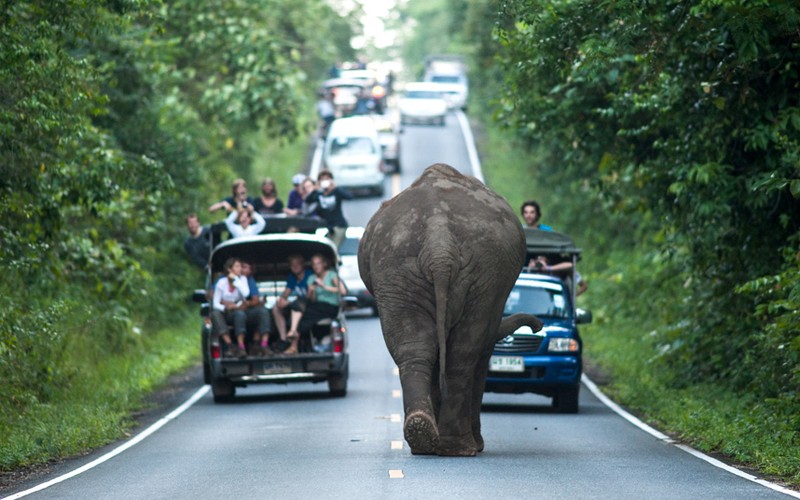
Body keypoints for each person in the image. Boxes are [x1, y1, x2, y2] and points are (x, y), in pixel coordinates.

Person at [285, 254, 342, 354]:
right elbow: (312, 299)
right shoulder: (311, 278)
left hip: (330, 306)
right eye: (314, 264)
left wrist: (324, 286)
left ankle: (293, 334)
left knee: (300, 311)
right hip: (317, 306)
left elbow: (342, 291)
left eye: (318, 263)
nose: (316, 266)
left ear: (324, 264)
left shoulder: (331, 275)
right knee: (299, 316)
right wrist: (311, 291)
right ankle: (295, 344)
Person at [272, 254, 314, 350]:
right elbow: (286, 293)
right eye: (292, 264)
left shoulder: (310, 275)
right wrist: (281, 301)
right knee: (276, 308)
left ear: (302, 265)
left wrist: (289, 303)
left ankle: (293, 335)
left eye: (297, 264)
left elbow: (309, 297)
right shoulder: (292, 277)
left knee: (297, 303)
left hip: (310, 304)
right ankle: (283, 339)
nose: (295, 267)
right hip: (298, 304)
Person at [211, 258, 250, 358]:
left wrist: (236, 281)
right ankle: (229, 344)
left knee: (240, 315)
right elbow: (215, 303)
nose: (240, 269)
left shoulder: (242, 280)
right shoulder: (221, 283)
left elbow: (246, 294)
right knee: (214, 314)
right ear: (229, 269)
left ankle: (241, 345)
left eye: (240, 266)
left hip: (237, 310)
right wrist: (226, 307)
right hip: (225, 312)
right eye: (237, 267)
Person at [311, 170, 352, 247]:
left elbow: (349, 196)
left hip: (339, 226)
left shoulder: (336, 192)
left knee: (333, 247)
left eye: (327, 179)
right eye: (322, 179)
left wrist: (335, 187)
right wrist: (315, 188)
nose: (325, 181)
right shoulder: (319, 195)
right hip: (326, 227)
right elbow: (308, 200)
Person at [240, 261, 274, 355]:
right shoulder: (226, 279)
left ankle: (262, 345)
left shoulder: (249, 280)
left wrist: (248, 304)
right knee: (239, 315)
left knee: (263, 312)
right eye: (243, 267)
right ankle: (240, 347)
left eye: (248, 268)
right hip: (233, 311)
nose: (245, 270)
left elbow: (255, 299)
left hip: (248, 310)